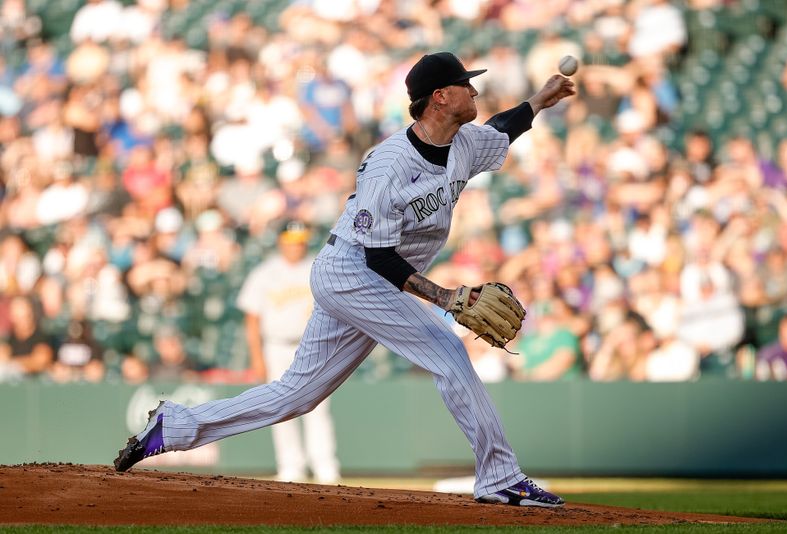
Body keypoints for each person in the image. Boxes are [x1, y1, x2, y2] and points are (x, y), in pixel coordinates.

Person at [114, 51, 575, 508]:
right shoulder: (390, 164)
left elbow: (501, 130)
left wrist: (539, 100)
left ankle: (173, 427)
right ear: (439, 97)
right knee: (448, 350)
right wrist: (445, 297)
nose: (473, 90)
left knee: (296, 395)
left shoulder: (464, 143)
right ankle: (500, 477)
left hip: (362, 277)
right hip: (353, 271)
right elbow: (379, 257)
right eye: (464, 83)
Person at [236, 221, 341, 484]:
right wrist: (257, 357)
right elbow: (252, 318)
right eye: (292, 240)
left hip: (312, 344)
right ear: (281, 241)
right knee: (280, 407)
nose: (297, 245)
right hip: (276, 345)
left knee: (318, 406)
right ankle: (290, 465)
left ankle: (325, 465)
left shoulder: (317, 267)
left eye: (300, 240)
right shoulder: (265, 272)